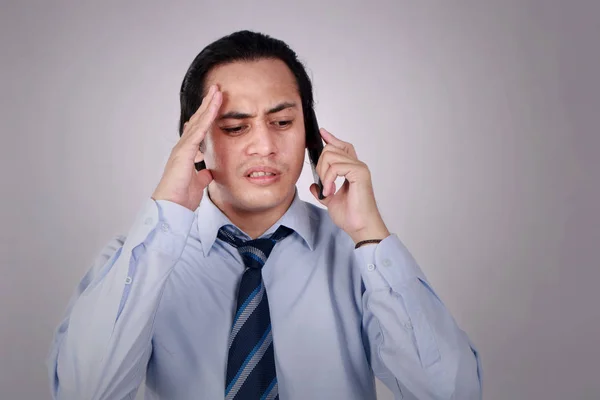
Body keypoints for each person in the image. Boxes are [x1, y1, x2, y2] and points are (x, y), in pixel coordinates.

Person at [47, 30, 482, 400]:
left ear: (309, 131)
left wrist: (370, 234)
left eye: (282, 122)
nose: (265, 146)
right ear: (194, 141)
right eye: (235, 127)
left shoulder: (357, 256)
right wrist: (169, 212)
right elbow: (85, 391)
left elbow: (452, 392)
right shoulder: (139, 260)